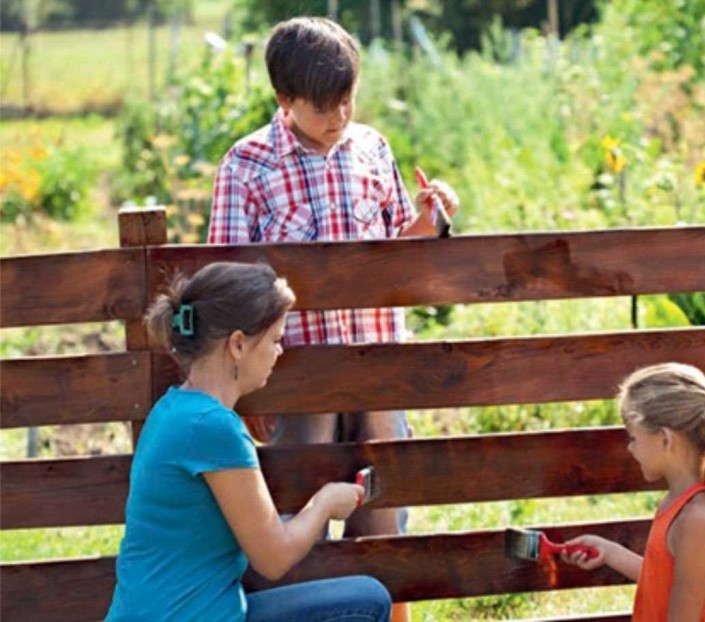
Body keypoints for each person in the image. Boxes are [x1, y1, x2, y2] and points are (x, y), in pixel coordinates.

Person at [209, 17, 459, 621]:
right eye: (324, 106)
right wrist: (243, 385)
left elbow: (398, 245)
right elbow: (230, 286)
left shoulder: (372, 148)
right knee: (300, 515)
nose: (340, 115)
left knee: (386, 513)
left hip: (378, 362)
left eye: (348, 100)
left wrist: (431, 221)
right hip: (299, 378)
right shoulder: (247, 167)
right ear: (283, 100)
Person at [106, 262, 391, 622]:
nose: (280, 351)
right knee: (369, 602)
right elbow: (273, 557)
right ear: (238, 345)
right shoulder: (213, 428)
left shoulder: (174, 408)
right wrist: (325, 503)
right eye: (274, 339)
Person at [561, 363, 705, 622]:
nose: (630, 448)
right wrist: (609, 552)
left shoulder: (698, 519)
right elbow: (663, 580)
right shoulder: (679, 505)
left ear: (665, 440)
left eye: (633, 437)